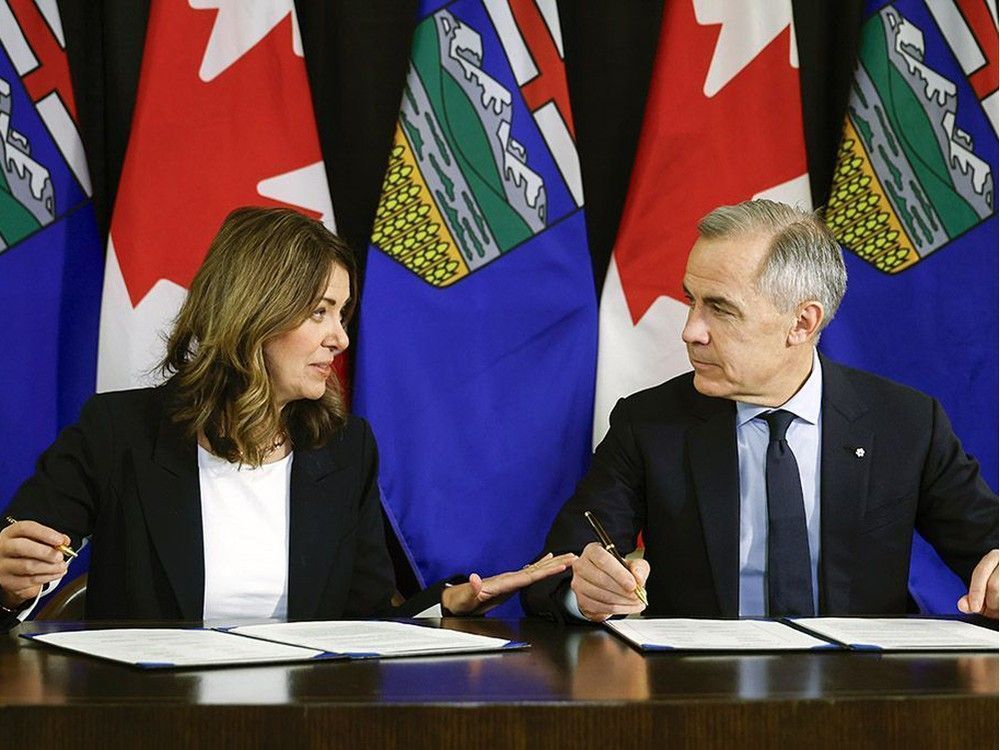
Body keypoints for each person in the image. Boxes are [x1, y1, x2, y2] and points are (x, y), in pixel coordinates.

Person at [0, 206, 573, 627]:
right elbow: (20, 560)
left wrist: (443, 604)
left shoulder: (345, 448)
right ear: (254, 311)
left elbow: (365, 617)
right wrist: (9, 583)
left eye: (342, 313)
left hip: (302, 719)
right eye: (320, 311)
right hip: (150, 722)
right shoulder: (116, 433)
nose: (341, 338)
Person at [523, 199, 998, 623]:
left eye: (721, 310)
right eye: (692, 301)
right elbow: (555, 569)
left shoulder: (905, 424)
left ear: (802, 322)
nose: (691, 331)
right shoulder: (649, 424)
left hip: (861, 698)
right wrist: (584, 592)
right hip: (699, 697)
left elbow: (987, 544)